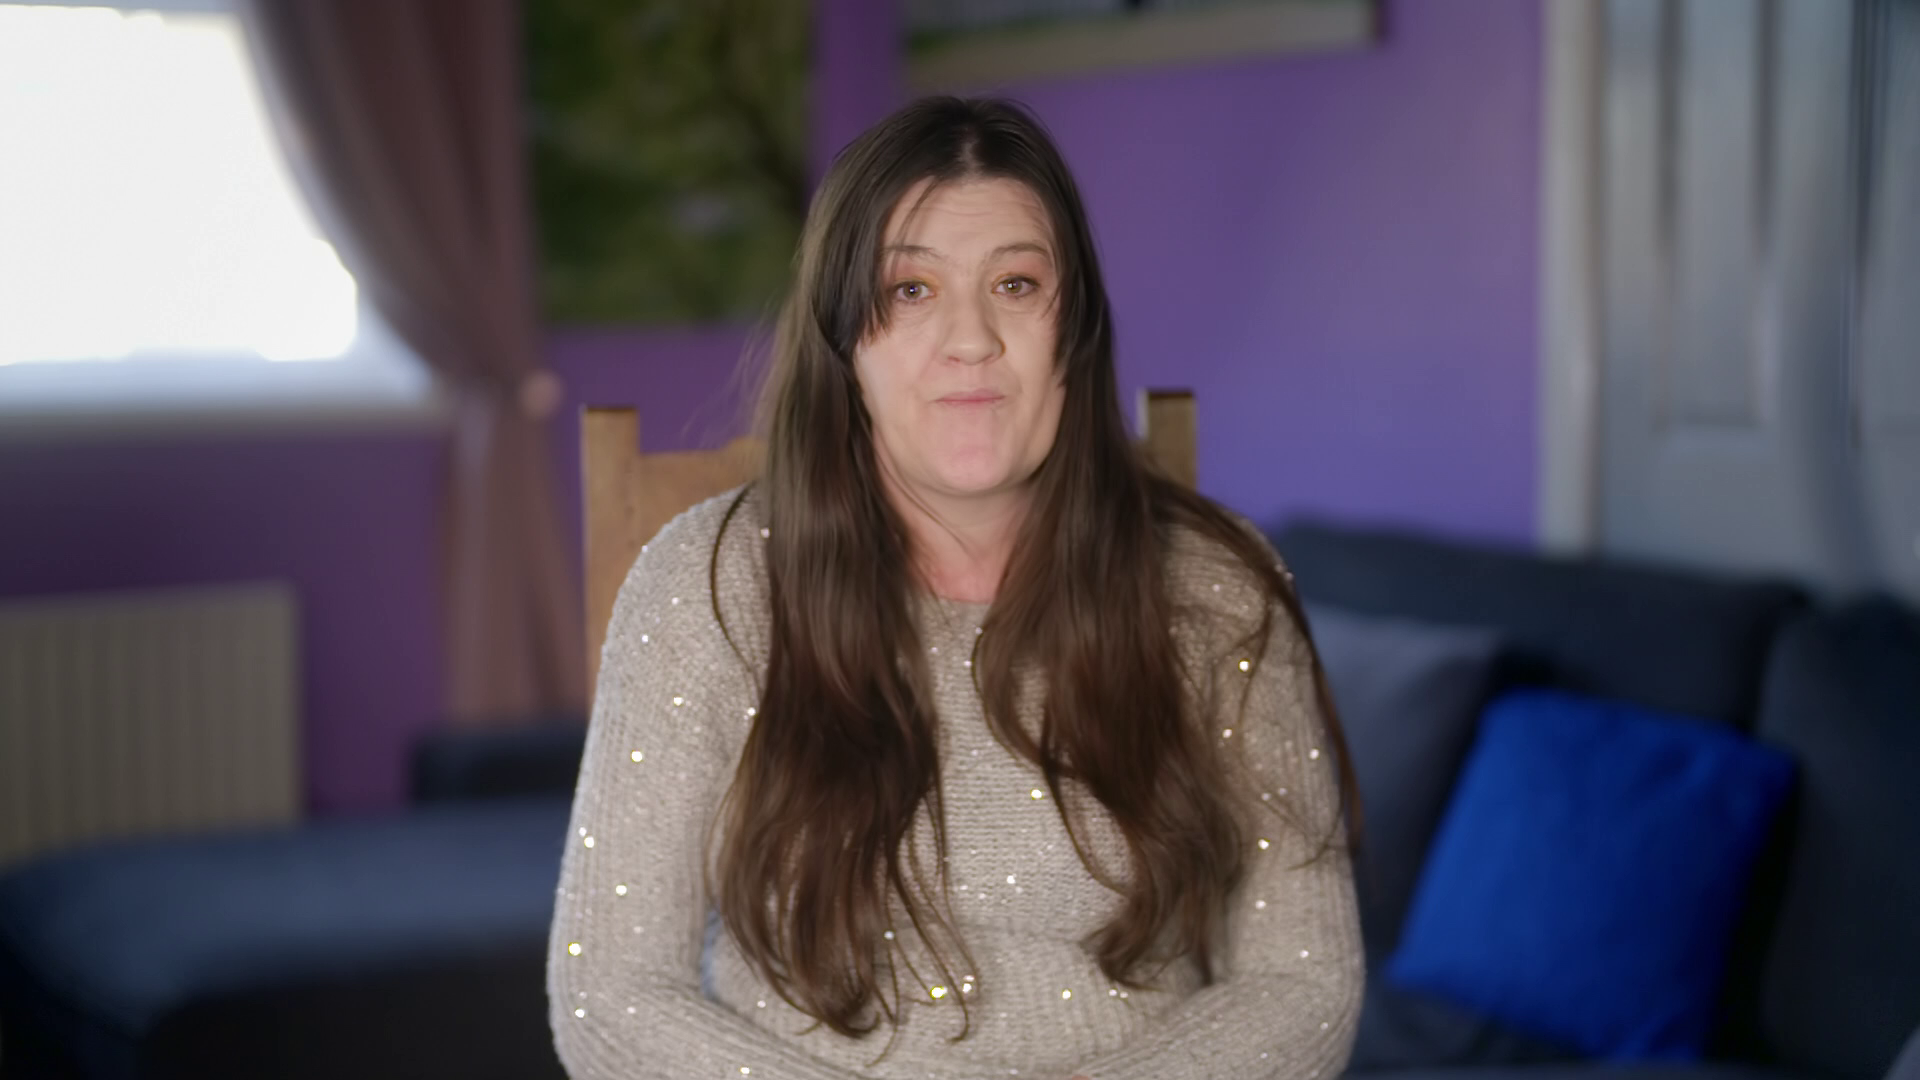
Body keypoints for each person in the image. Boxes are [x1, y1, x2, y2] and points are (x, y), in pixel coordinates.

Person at [548, 95, 1364, 1080]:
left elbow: (1303, 981)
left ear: (1073, 333)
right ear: (846, 345)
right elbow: (611, 993)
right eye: (911, 291)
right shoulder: (708, 586)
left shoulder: (1216, 587)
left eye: (1016, 285)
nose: (971, 338)